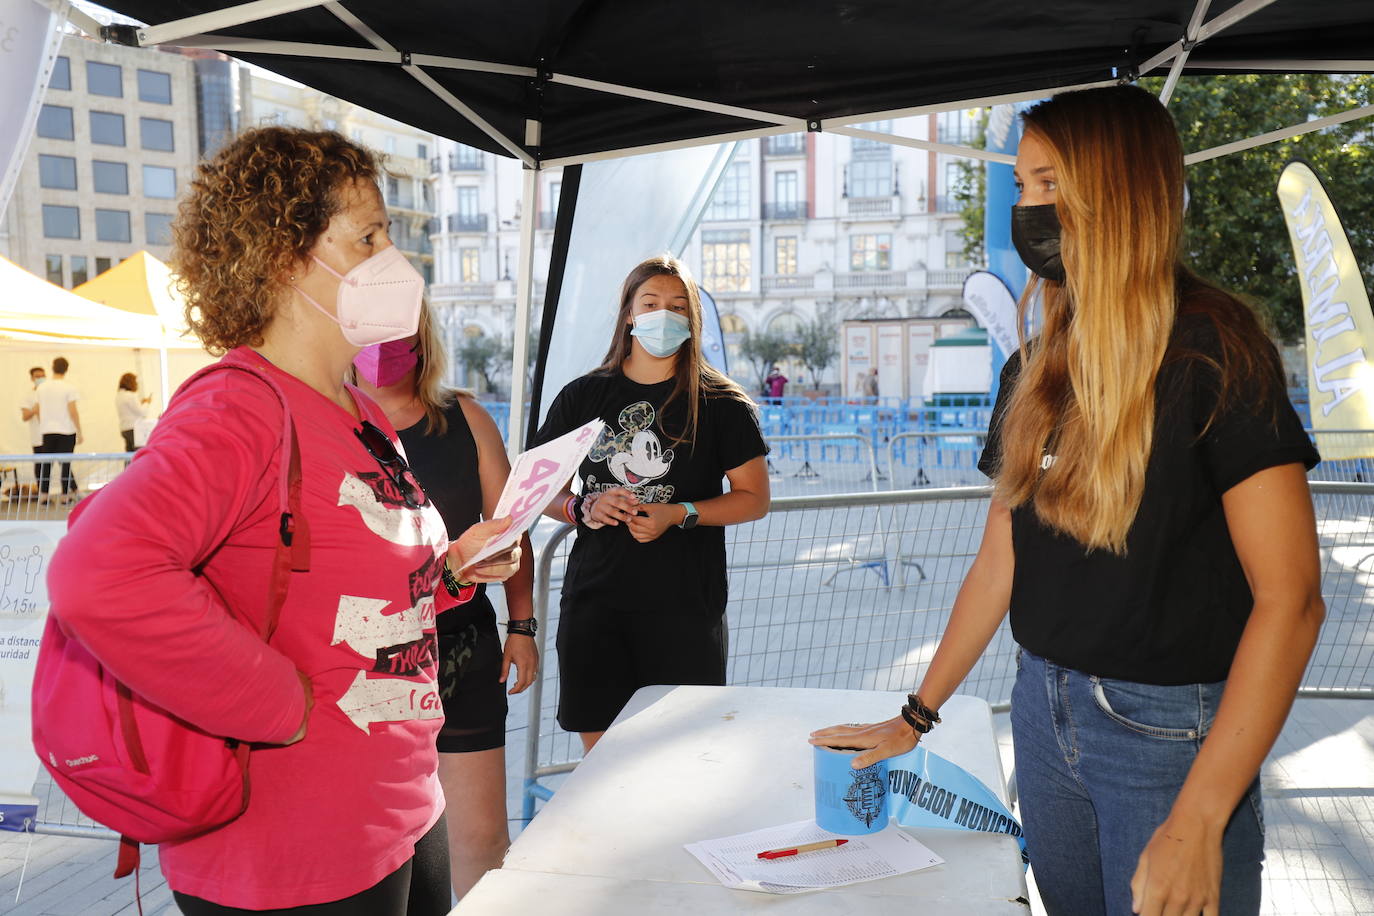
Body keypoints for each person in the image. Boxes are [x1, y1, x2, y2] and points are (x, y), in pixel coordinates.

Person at [811, 85, 1323, 916]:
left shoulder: (1217, 352)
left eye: (1049, 184)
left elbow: (1292, 600)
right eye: (1021, 188)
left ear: (1118, 191)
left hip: (1168, 736)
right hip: (1043, 717)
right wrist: (915, 714)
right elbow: (999, 560)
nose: (1028, 210)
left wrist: (1200, 815)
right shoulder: (1035, 367)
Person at [44, 126, 520, 916]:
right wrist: (277, 700)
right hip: (293, 853)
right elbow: (96, 576)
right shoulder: (239, 410)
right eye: (366, 236)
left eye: (388, 235)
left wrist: (456, 568)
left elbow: (347, 585)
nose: (392, 259)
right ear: (283, 257)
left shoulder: (359, 408)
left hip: (399, 808)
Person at [533, 255, 770, 753]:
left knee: (682, 766)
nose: (664, 314)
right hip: (596, 608)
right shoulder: (582, 397)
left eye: (677, 306)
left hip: (686, 610)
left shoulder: (723, 405)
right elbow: (538, 489)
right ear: (629, 314)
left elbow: (753, 499)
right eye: (651, 303)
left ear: (692, 320)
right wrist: (583, 508)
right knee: (603, 769)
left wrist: (680, 514)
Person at [351, 302, 538, 900]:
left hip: (463, 647)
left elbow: (511, 526)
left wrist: (523, 624)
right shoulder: (325, 420)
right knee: (381, 844)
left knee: (481, 838)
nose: (384, 343)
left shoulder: (464, 417)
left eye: (397, 328)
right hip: (365, 657)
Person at [35, 356, 82, 505]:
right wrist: (80, 430)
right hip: (66, 430)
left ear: (52, 367)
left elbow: (38, 409)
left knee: (46, 463)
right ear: (66, 369)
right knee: (65, 464)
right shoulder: (69, 387)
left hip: (47, 430)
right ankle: (64, 495)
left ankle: (43, 494)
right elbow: (73, 411)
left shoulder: (41, 387)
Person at [19, 366, 44, 491]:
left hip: (53, 434)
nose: (40, 379)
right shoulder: (28, 396)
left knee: (62, 462)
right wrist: (35, 409)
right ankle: (42, 493)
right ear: (32, 378)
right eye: (37, 377)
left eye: (42, 376)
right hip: (37, 437)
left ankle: (68, 492)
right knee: (40, 465)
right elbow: (25, 416)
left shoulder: (49, 392)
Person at [115, 372, 151, 452]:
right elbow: (142, 413)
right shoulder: (130, 395)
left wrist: (141, 403)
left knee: (129, 456)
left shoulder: (119, 396)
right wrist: (146, 403)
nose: (136, 384)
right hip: (134, 429)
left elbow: (131, 410)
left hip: (124, 429)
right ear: (131, 382)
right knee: (139, 454)